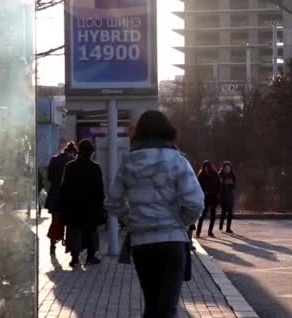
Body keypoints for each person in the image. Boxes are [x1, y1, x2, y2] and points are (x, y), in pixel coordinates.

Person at [106, 110, 204, 318]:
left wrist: (132, 220)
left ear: (139, 133)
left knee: (151, 307)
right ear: (168, 131)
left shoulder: (128, 162)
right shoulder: (177, 161)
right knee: (168, 308)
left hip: (142, 243)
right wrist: (181, 223)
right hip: (172, 242)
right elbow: (195, 203)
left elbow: (112, 202)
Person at [58, 139, 106, 268]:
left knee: (74, 231)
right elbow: (100, 189)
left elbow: (64, 188)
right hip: (91, 206)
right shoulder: (95, 167)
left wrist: (62, 206)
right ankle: (91, 257)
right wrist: (101, 205)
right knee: (91, 231)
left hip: (73, 206)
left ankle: (74, 258)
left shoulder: (70, 166)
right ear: (91, 152)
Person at [45, 142, 77, 254]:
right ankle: (70, 246)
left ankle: (52, 244)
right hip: (68, 196)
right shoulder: (73, 161)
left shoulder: (54, 159)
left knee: (55, 221)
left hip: (55, 195)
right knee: (71, 222)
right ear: (73, 152)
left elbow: (49, 177)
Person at [196, 161, 221, 238]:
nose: (206, 169)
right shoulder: (201, 175)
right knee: (202, 215)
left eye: (207, 167)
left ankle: (210, 231)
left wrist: (216, 193)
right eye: (205, 167)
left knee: (213, 215)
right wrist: (203, 192)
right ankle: (198, 232)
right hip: (204, 197)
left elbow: (218, 185)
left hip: (213, 196)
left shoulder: (215, 175)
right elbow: (198, 185)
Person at [219, 161, 237, 234]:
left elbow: (235, 186)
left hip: (230, 196)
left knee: (230, 213)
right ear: (223, 168)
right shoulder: (220, 175)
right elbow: (218, 185)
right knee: (223, 212)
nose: (227, 169)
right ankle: (221, 224)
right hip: (223, 196)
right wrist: (223, 183)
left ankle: (228, 228)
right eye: (226, 168)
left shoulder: (232, 175)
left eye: (228, 168)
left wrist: (231, 184)